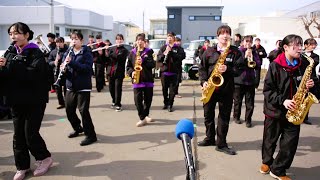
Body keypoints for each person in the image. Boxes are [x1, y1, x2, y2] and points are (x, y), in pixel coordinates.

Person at [0, 22, 53, 180]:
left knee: (30, 133)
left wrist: (11, 66)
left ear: (27, 35)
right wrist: (2, 69)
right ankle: (22, 166)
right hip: (16, 100)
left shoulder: (35, 53)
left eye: (17, 33)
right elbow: (7, 78)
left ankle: (44, 158)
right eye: (11, 34)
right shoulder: (10, 53)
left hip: (34, 101)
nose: (13, 36)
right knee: (18, 135)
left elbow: (34, 75)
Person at [260, 34, 315, 180]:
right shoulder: (275, 65)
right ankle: (267, 161)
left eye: (300, 44)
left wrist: (312, 85)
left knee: (290, 143)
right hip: (275, 110)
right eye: (295, 45)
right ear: (285, 47)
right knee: (270, 140)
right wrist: (283, 101)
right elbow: (268, 90)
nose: (299, 48)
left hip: (296, 111)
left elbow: (313, 81)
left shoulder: (304, 64)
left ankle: (278, 169)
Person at [197, 25, 243, 155]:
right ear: (218, 36)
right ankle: (210, 138)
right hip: (210, 88)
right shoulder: (209, 51)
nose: (225, 35)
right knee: (208, 115)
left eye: (227, 33)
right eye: (222, 33)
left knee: (224, 117)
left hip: (227, 90)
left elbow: (240, 70)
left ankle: (221, 143)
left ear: (230, 36)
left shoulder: (235, 52)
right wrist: (203, 81)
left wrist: (228, 69)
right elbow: (202, 68)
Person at [62, 31, 97, 146]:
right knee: (69, 110)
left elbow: (87, 68)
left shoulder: (86, 52)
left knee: (83, 111)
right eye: (72, 39)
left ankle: (91, 135)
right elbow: (64, 65)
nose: (74, 41)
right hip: (70, 86)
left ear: (81, 41)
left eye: (76, 39)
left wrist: (71, 63)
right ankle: (78, 128)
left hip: (83, 86)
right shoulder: (68, 52)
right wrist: (62, 67)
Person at [126, 33, 155, 127]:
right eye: (138, 40)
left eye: (141, 40)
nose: (140, 41)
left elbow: (152, 64)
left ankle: (146, 115)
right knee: (137, 100)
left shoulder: (149, 52)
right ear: (136, 41)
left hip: (148, 79)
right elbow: (128, 67)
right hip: (137, 80)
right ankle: (142, 117)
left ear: (144, 41)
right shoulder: (132, 53)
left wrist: (144, 61)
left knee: (148, 100)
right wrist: (132, 73)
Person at [233, 35, 261, 127]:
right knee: (238, 101)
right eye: (246, 41)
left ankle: (248, 120)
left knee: (250, 103)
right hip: (239, 80)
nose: (248, 43)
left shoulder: (254, 52)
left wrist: (252, 57)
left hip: (250, 81)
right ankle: (236, 117)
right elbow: (236, 64)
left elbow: (258, 65)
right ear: (243, 42)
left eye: (250, 42)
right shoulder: (238, 51)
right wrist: (245, 57)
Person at [157, 32, 185, 112]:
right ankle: (165, 102)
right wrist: (164, 53)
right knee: (164, 89)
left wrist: (171, 52)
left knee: (172, 90)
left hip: (174, 72)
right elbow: (158, 58)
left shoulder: (178, 48)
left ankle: (170, 104)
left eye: (171, 37)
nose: (169, 38)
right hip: (164, 73)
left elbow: (181, 57)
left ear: (174, 38)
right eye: (168, 37)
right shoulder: (163, 48)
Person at [105, 34, 129, 112]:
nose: (119, 40)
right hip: (110, 72)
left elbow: (118, 57)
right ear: (115, 40)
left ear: (123, 40)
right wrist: (105, 51)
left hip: (119, 72)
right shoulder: (111, 48)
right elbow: (106, 58)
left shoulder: (125, 50)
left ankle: (118, 104)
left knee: (118, 88)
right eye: (117, 39)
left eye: (120, 39)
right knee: (111, 88)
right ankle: (114, 101)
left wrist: (108, 52)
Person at [300, 38, 319, 125]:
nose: (313, 46)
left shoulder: (315, 56)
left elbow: (314, 63)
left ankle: (305, 117)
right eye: (311, 44)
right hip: (301, 78)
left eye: (314, 45)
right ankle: (297, 114)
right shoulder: (300, 54)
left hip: (311, 78)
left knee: (307, 99)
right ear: (306, 45)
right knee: (300, 97)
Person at [48, 37, 68, 109]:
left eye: (60, 42)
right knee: (58, 89)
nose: (58, 44)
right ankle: (61, 103)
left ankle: (67, 102)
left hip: (66, 72)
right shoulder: (53, 52)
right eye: (57, 42)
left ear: (63, 42)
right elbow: (49, 61)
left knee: (67, 88)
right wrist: (54, 62)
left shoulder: (68, 51)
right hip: (57, 73)